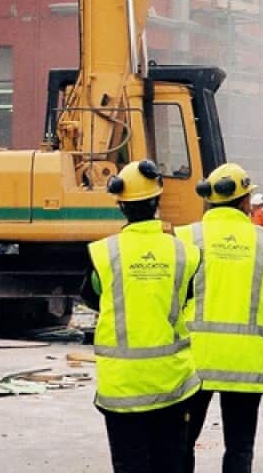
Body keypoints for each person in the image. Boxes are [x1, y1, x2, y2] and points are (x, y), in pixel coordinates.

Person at [79, 160, 200, 473]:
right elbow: (184, 295)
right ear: (157, 201)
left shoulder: (104, 254)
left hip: (122, 388)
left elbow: (91, 297)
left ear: (121, 206)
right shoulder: (183, 252)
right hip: (171, 384)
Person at [177, 164, 263, 473]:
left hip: (194, 360)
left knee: (182, 444)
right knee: (239, 448)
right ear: (244, 202)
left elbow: (175, 296)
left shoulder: (186, 236)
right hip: (245, 363)